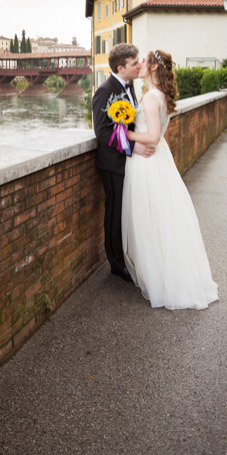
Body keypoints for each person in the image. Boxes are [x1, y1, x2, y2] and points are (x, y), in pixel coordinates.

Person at [121, 49, 219, 310]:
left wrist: (125, 134)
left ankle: (160, 278)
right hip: (158, 161)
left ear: (154, 68)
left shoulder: (152, 98)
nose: (140, 64)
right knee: (161, 218)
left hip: (149, 162)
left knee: (150, 220)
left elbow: (152, 136)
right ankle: (163, 272)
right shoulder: (159, 96)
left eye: (144, 61)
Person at [92, 43, 150, 283]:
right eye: (134, 63)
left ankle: (126, 256)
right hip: (112, 163)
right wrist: (132, 146)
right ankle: (115, 263)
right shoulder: (104, 91)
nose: (139, 66)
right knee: (114, 213)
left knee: (127, 212)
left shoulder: (131, 84)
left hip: (129, 162)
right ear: (120, 67)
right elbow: (102, 131)